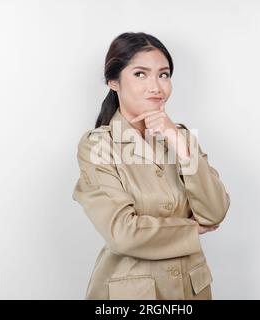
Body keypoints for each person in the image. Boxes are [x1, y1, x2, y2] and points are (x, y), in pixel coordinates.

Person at [72, 32, 230, 300]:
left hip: (190, 291)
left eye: (164, 74)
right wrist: (191, 229)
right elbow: (123, 233)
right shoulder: (97, 145)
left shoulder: (182, 137)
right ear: (113, 81)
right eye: (140, 74)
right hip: (133, 294)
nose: (156, 86)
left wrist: (180, 146)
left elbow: (214, 212)